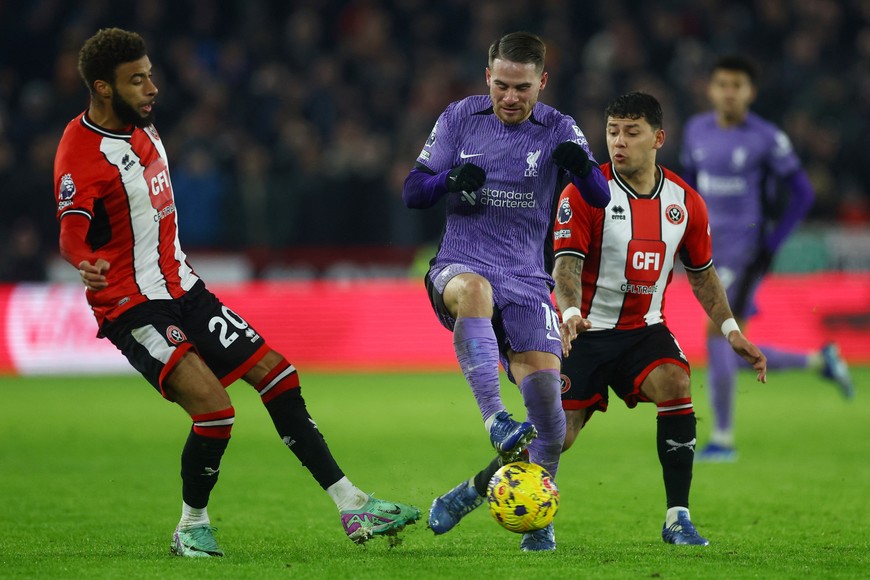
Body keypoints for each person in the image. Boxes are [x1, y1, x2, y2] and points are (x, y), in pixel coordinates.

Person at [53, 28, 419, 558]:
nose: (152, 88)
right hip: (132, 305)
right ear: (102, 88)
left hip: (185, 288)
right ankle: (191, 526)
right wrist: (82, 260)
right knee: (216, 411)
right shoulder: (81, 150)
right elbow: (70, 230)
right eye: (137, 80)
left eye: (150, 75)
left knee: (278, 374)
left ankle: (353, 504)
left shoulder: (142, 125)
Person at [428, 91, 769, 548]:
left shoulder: (685, 202)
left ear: (658, 138)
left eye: (632, 133)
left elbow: (702, 273)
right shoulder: (586, 193)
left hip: (644, 331)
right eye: (612, 132)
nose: (619, 142)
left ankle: (678, 518)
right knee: (556, 437)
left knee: (676, 382)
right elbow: (566, 265)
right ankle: (474, 489)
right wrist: (569, 313)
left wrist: (731, 331)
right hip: (583, 333)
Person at [402, 31, 611, 551]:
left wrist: (582, 167)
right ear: (487, 77)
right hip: (460, 264)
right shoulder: (459, 117)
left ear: (542, 82)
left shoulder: (559, 127)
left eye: (522, 87)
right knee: (474, 290)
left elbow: (600, 196)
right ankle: (496, 418)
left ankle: (520, 513)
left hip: (527, 280)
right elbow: (412, 191)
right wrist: (448, 180)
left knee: (550, 421)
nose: (510, 97)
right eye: (501, 85)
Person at [680, 55, 855, 463]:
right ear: (710, 89)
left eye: (736, 86)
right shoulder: (695, 131)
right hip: (708, 252)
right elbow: (688, 185)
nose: (728, 93)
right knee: (734, 346)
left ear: (750, 92)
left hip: (747, 253)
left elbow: (803, 191)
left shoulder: (766, 138)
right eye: (722, 84)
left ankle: (722, 439)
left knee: (717, 332)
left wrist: (772, 243)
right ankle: (820, 361)